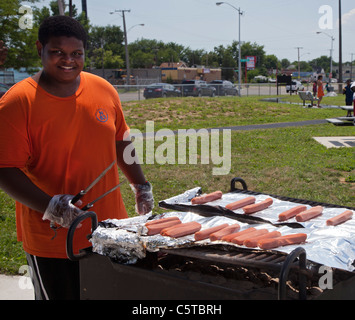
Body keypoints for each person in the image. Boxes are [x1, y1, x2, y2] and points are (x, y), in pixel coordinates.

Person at [0, 16, 154, 300]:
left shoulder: (103, 89)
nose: (68, 60)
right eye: (57, 52)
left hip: (109, 230)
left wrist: (141, 186)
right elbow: (5, 169)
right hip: (54, 239)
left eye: (76, 54)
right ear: (40, 49)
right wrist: (52, 206)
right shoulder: (17, 102)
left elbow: (121, 141)